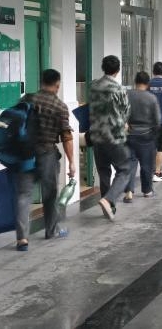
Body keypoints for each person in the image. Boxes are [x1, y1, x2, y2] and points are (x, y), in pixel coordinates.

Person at [11, 69, 76, 251]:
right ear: (57, 84)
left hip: (25, 154)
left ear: (41, 82)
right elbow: (66, 137)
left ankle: (22, 239)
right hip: (47, 153)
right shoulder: (59, 106)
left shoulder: (27, 99)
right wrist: (71, 162)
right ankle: (51, 230)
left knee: (23, 195)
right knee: (50, 195)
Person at [89, 55, 131, 221]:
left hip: (96, 136)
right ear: (118, 70)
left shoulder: (93, 86)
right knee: (125, 169)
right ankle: (108, 200)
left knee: (104, 172)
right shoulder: (119, 89)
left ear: (103, 68)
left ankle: (108, 207)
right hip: (114, 136)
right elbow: (125, 112)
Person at [125, 71, 160, 201]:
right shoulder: (151, 98)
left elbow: (122, 113)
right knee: (146, 164)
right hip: (146, 135)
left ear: (135, 81)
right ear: (147, 83)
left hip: (129, 134)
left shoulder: (127, 95)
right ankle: (147, 190)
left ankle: (129, 191)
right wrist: (154, 134)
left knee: (130, 163)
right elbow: (157, 120)